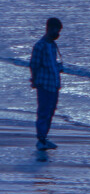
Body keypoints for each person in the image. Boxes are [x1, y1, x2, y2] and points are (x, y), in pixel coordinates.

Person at [29, 17, 64, 150]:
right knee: (43, 111)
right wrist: (34, 80)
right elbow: (34, 64)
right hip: (44, 84)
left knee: (51, 111)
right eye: (56, 30)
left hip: (54, 84)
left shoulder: (53, 45)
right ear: (49, 28)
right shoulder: (40, 45)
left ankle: (44, 137)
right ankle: (41, 139)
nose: (58, 33)